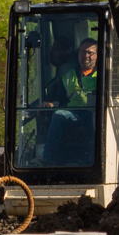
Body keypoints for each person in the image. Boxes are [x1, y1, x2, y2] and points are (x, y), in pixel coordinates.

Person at [42, 37, 99, 165]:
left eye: (90, 53)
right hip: (74, 114)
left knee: (97, 121)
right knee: (58, 115)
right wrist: (52, 104)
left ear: (97, 55)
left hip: (96, 114)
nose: (86, 55)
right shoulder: (68, 76)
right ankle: (48, 159)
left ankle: (93, 162)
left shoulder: (104, 76)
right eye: (83, 52)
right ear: (78, 54)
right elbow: (60, 100)